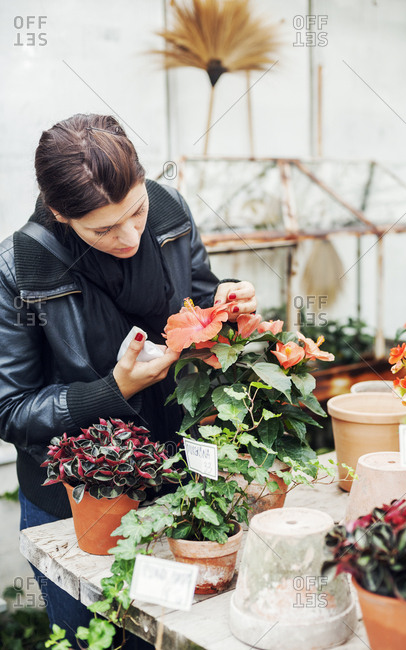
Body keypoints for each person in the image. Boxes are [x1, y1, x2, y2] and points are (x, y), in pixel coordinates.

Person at [0, 113, 257, 648]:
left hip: (180, 482)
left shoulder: (168, 211)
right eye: (103, 228)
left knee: (173, 634)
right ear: (59, 213)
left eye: (136, 210)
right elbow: (12, 410)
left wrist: (225, 309)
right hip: (79, 503)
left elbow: (198, 299)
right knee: (88, 638)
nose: (131, 235)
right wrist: (114, 390)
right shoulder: (18, 267)